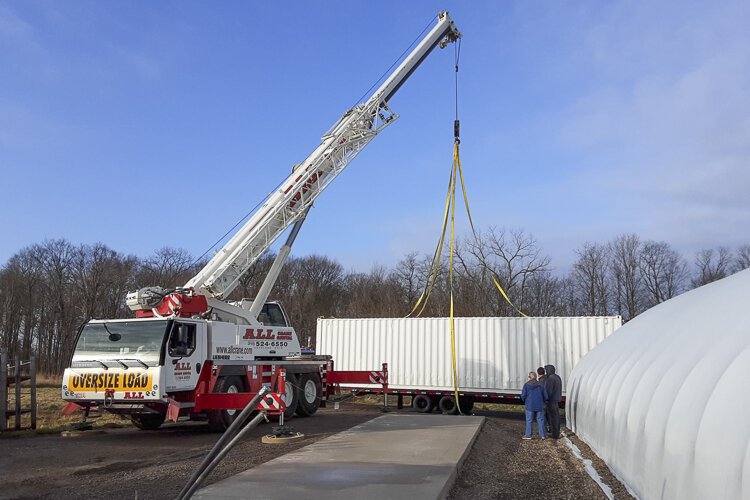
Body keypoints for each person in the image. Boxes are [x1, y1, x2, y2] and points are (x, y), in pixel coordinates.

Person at [520, 371, 548, 440]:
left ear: (529, 377)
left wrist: (525, 401)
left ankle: (528, 435)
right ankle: (543, 435)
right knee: (540, 420)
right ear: (536, 377)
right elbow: (546, 396)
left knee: (529, 420)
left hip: (529, 405)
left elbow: (523, 395)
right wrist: (543, 401)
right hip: (539, 405)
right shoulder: (541, 385)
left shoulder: (526, 385)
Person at [543, 364, 563, 439]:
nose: (545, 372)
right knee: (556, 417)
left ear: (549, 370)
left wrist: (545, 399)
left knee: (552, 418)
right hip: (556, 400)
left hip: (551, 401)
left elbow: (548, 391)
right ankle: (556, 432)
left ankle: (554, 434)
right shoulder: (557, 377)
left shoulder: (550, 379)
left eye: (546, 370)